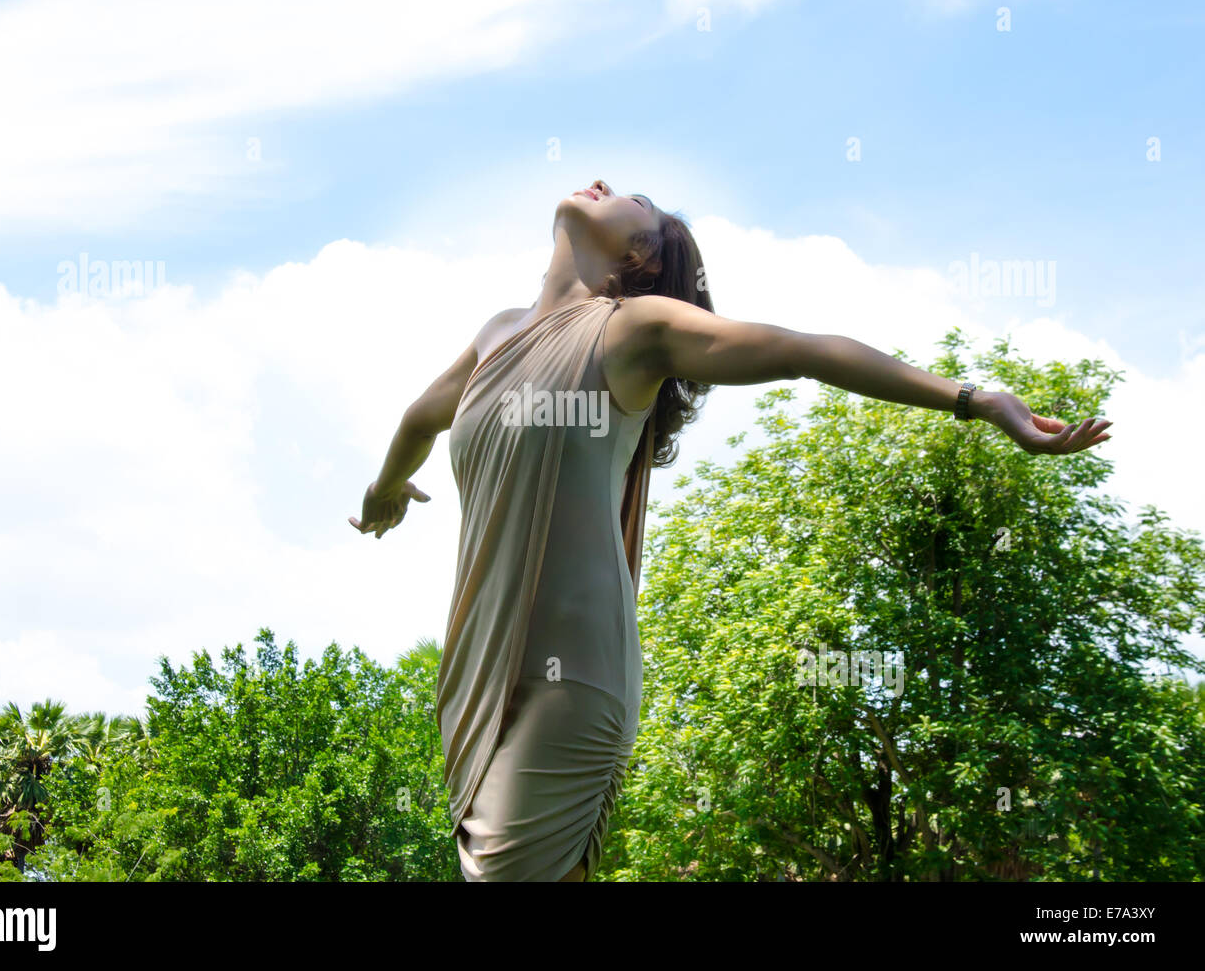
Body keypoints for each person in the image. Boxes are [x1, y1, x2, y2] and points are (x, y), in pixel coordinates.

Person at [349, 179, 1113, 882]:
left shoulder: (633, 328)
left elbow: (804, 351)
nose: (609, 187)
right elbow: (420, 417)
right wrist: (386, 488)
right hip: (478, 673)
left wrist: (976, 399)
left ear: (639, 253)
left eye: (636, 198)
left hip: (571, 673)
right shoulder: (496, 335)